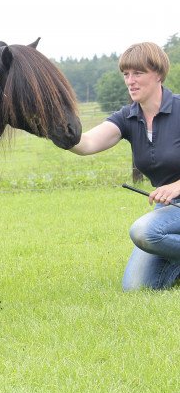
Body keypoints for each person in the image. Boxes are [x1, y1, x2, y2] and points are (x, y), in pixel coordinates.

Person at [70, 42, 180, 290]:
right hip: (170, 212)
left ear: (159, 74)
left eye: (138, 73)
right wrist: (55, 129)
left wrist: (176, 185)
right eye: (126, 74)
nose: (130, 81)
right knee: (136, 287)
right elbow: (86, 144)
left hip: (174, 206)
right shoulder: (128, 117)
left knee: (143, 231)